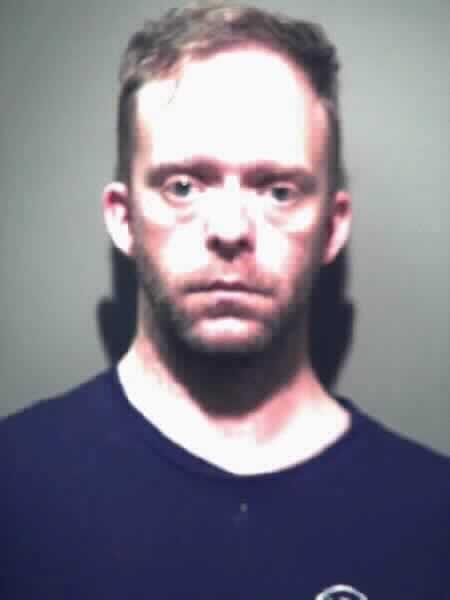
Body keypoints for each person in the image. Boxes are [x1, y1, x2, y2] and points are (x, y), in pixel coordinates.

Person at [1, 2, 449, 599]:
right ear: (124, 218)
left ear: (333, 226)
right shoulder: (13, 487)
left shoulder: (434, 517)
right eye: (183, 186)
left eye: (279, 191)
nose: (231, 229)